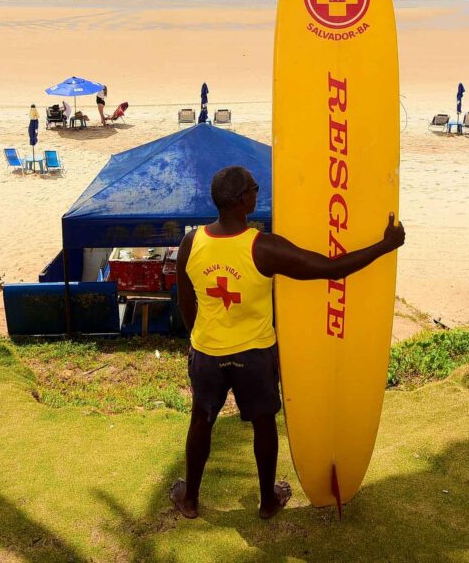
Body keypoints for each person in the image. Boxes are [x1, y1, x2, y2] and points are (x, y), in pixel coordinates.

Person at [171, 166, 405, 521]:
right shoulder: (262, 247)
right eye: (254, 188)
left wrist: (196, 336)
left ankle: (189, 499)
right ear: (242, 200)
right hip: (254, 355)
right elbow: (331, 268)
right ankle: (267, 502)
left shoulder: (192, 242)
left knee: (201, 421)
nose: (257, 192)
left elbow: (185, 300)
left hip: (207, 352)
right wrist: (386, 245)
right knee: (263, 423)